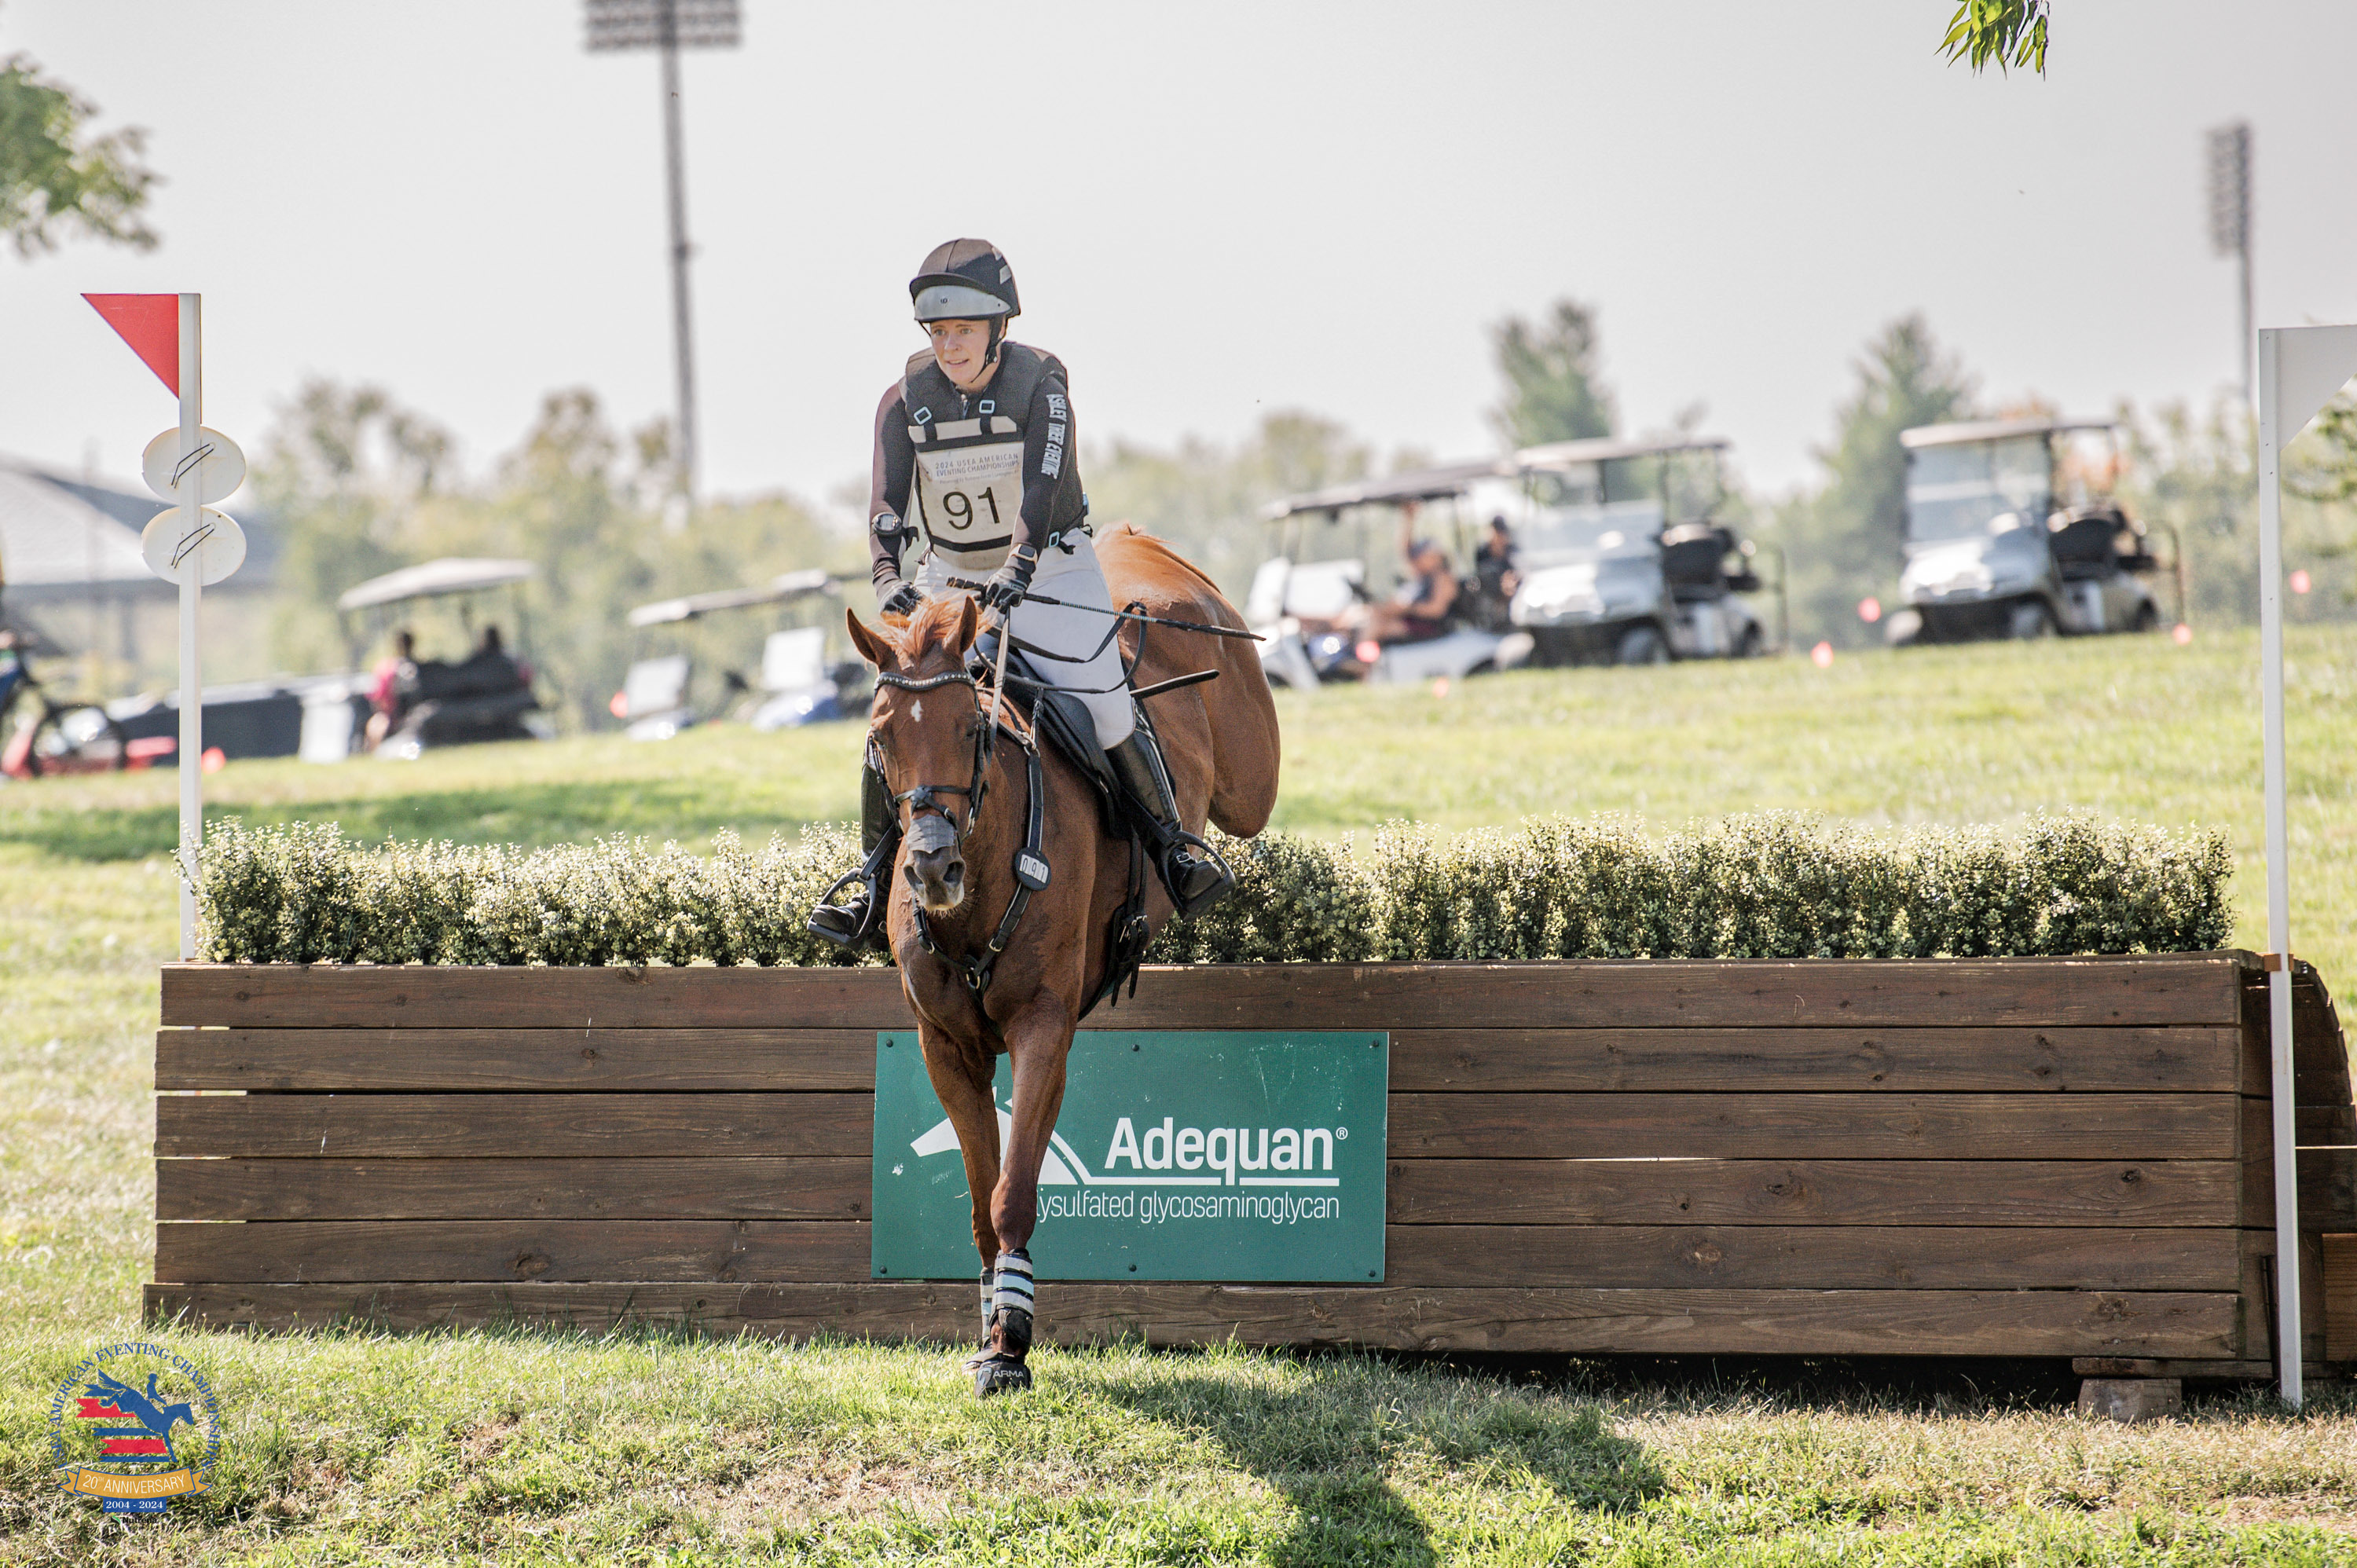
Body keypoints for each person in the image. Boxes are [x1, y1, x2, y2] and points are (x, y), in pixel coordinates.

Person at [808, 240, 1230, 948]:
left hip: (1052, 564)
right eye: (939, 333)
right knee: (900, 717)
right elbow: (886, 504)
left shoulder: (1041, 382)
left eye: (963, 332)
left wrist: (1020, 566)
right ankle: (870, 880)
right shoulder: (904, 400)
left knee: (1102, 702)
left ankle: (1174, 850)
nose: (949, 346)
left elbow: (1040, 486)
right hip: (950, 576)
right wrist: (887, 575)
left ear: (998, 328)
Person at [1340, 508, 1459, 645]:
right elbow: (1405, 550)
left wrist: (1407, 608)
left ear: (1435, 556)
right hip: (1411, 618)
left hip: (1428, 627)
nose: (1418, 559)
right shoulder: (1425, 575)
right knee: (1368, 615)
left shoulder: (1443, 578)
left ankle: (1363, 663)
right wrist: (1409, 518)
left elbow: (1437, 610)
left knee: (1379, 625)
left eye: (1423, 555)